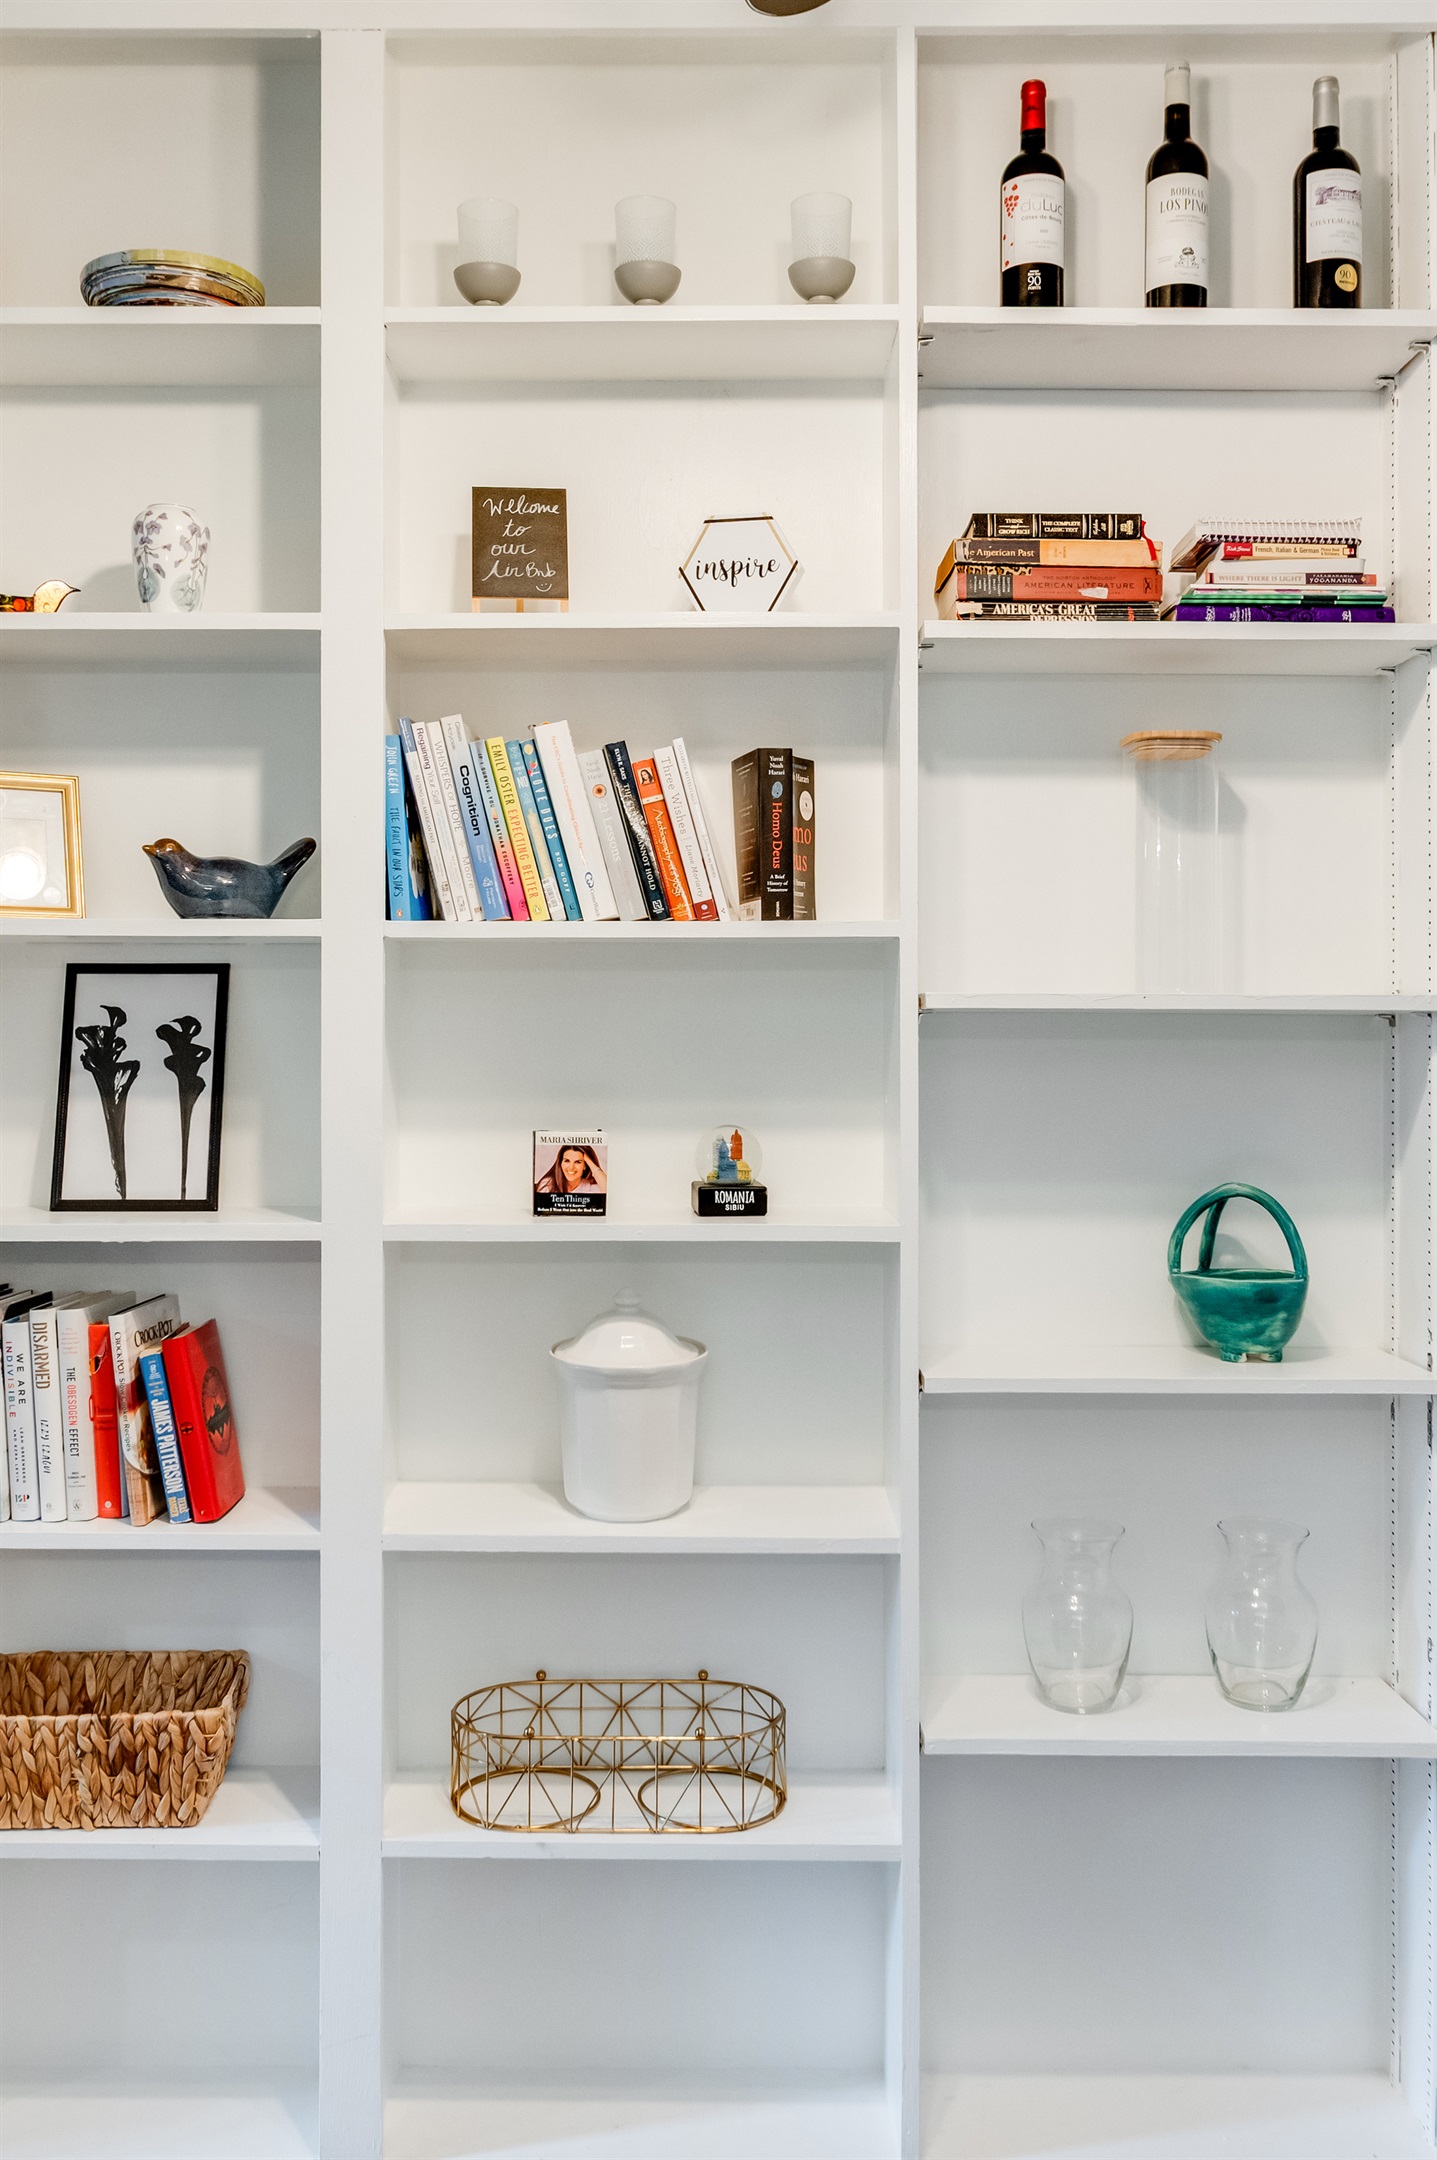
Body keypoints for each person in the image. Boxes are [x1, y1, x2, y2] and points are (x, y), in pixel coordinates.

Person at [536, 1142, 607, 1197]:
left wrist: (590, 1162)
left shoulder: (590, 1187)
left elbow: (607, 1189)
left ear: (585, 1166)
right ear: (561, 1163)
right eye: (567, 1161)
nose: (571, 1167)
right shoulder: (548, 1185)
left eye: (578, 1162)